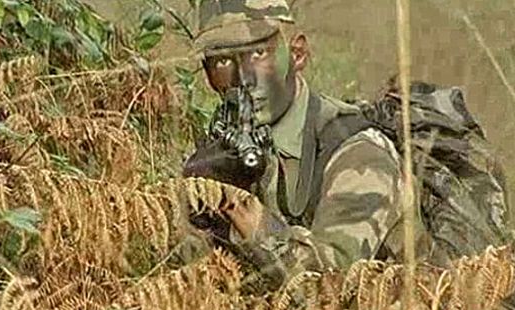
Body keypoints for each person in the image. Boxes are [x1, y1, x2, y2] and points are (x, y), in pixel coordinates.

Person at [185, 0, 511, 292]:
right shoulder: (231, 149)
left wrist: (250, 219)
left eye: (259, 54)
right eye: (223, 62)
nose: (244, 80)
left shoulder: (358, 152)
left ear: (297, 54)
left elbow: (330, 286)